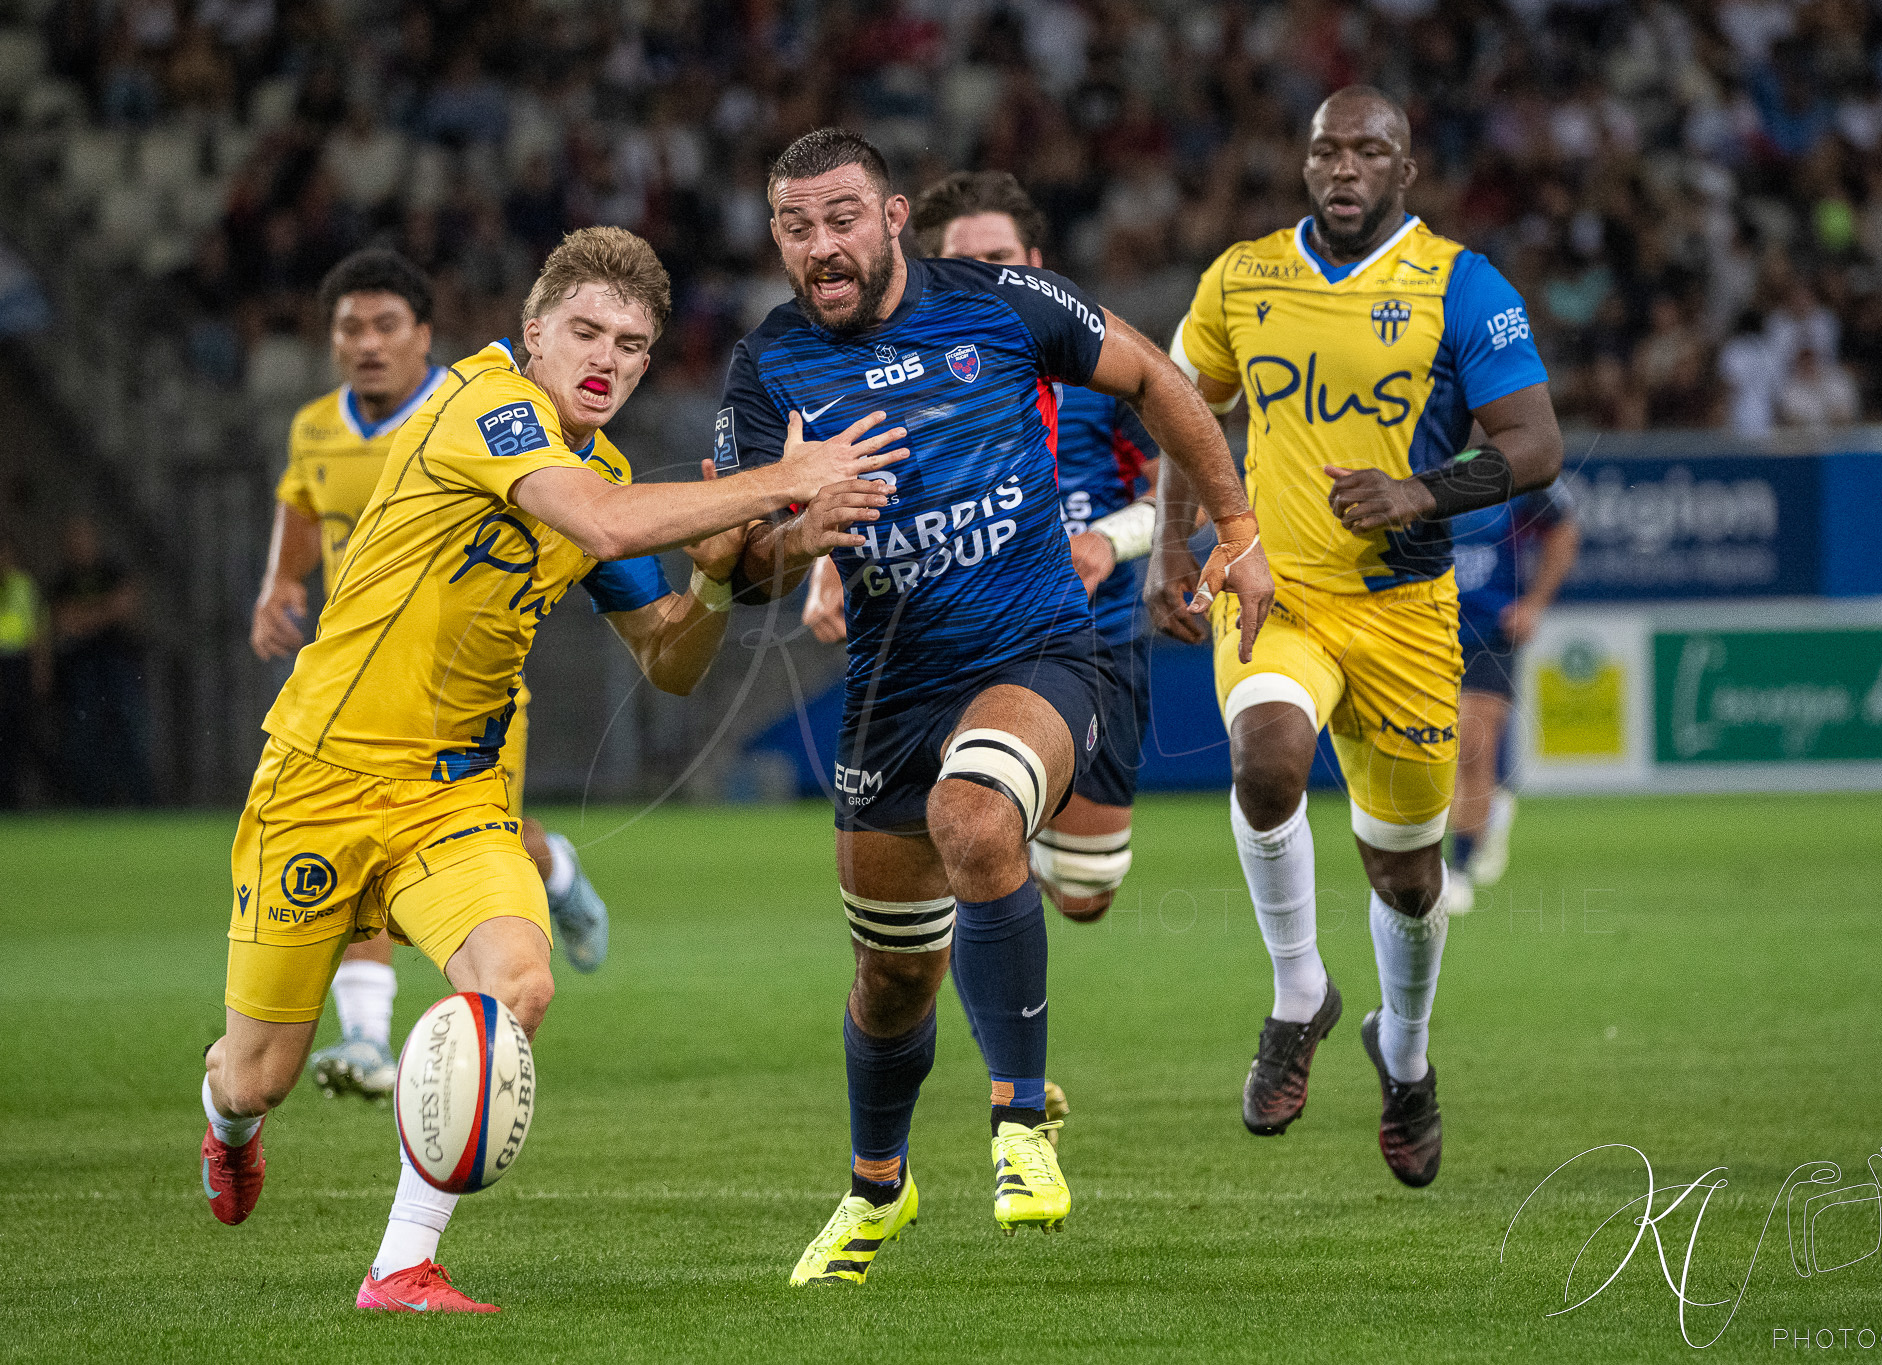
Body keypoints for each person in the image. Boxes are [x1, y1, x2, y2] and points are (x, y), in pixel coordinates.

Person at [199, 226, 901, 1312]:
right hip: (321, 779)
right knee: (259, 1076)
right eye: (585, 331)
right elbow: (603, 525)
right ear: (533, 333)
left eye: (631, 344)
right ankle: (227, 1126)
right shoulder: (484, 406)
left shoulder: (601, 468)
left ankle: (401, 1266)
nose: (606, 359)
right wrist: (782, 480)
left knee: (517, 985)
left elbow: (670, 659)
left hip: (454, 801)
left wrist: (725, 578)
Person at [719, 129, 1269, 1287]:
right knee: (890, 979)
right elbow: (736, 566)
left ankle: (1019, 1123)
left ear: (893, 218)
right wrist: (796, 539)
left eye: (841, 218)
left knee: (975, 816)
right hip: (889, 692)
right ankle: (877, 1188)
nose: (820, 246)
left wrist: (1235, 529)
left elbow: (1159, 381)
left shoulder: (1000, 303)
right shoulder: (767, 367)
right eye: (795, 227)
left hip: (1039, 652)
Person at [1153, 86, 1561, 1186]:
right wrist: (1168, 548)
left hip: (1405, 613)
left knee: (1408, 878)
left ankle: (1405, 1052)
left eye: (1368, 151)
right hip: (1275, 590)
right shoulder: (1241, 276)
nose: (1344, 167)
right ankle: (1299, 994)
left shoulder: (1461, 284)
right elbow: (1186, 409)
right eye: (1326, 149)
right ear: (1304, 163)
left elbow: (1535, 444)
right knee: (1266, 762)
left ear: (1404, 170)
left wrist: (1421, 492)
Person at [250, 248, 613, 1105]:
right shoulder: (315, 427)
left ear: (424, 335)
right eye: (350, 328)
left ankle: (556, 871)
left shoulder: (475, 411)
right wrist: (280, 581)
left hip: (471, 699)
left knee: (492, 847)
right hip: (361, 685)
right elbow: (302, 502)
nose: (368, 344)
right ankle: (367, 1034)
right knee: (358, 851)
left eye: (387, 325)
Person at [805, 170, 1163, 925]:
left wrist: (1107, 539)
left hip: (1095, 640)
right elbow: (841, 495)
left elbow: (1179, 498)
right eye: (964, 265)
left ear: (1036, 264)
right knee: (972, 837)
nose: (987, 281)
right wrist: (824, 565)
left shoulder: (1104, 375)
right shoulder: (898, 386)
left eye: (1000, 260)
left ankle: (1009, 851)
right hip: (950, 648)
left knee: (1085, 894)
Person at [1438, 483, 1581, 915]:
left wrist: (1533, 604)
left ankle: (1458, 870)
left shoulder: (1515, 474)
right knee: (1435, 751)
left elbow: (1564, 530)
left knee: (1472, 744)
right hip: (1428, 628)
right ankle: (1490, 809)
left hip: (1491, 630)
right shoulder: (1418, 462)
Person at [47, 515, 152, 805]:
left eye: (84, 538)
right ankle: (90, 803)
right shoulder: (62, 581)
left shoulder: (112, 571)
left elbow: (127, 607)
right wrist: (105, 611)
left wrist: (85, 616)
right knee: (83, 735)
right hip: (80, 667)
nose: (79, 545)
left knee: (131, 732)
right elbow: (64, 622)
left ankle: (144, 803)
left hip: (118, 663)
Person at [0, 531, 48, 807]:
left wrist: (40, 671)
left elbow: (37, 632)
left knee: (17, 733)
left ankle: (14, 796)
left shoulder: (24, 586)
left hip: (16, 665)